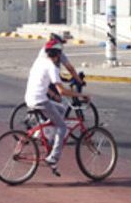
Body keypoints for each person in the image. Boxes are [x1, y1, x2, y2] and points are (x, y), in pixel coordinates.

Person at [26, 39, 91, 170]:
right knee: (62, 126)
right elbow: (62, 91)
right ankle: (53, 158)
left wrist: (53, 94)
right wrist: (81, 95)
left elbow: (40, 82)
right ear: (57, 55)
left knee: (61, 109)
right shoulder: (52, 67)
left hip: (30, 97)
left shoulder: (39, 61)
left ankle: (49, 138)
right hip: (40, 100)